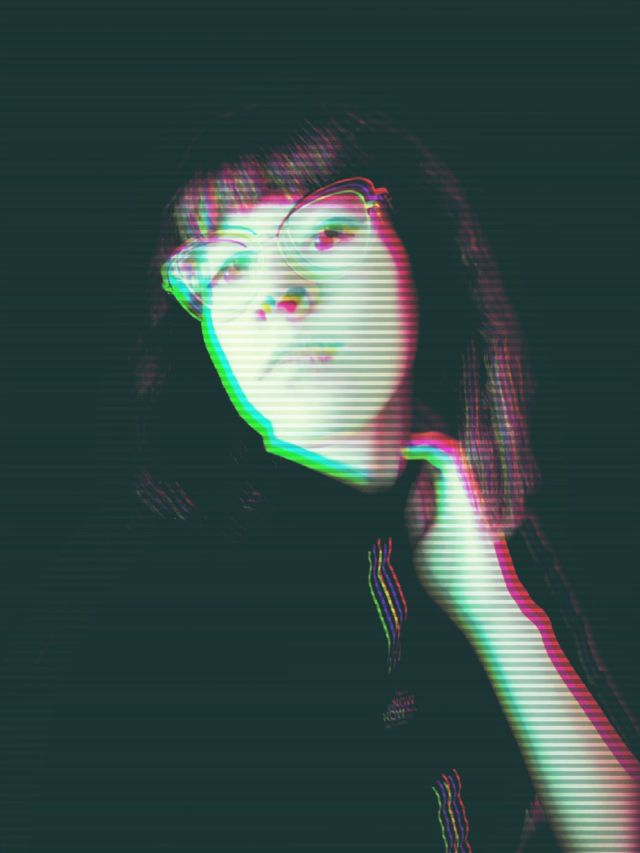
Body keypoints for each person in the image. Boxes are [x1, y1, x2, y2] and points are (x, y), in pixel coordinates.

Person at [3, 99, 639, 851]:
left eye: (328, 233)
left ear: (422, 255)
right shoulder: (145, 603)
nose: (279, 294)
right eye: (227, 265)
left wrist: (494, 608)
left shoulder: (485, 539)